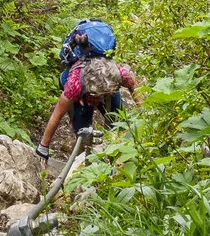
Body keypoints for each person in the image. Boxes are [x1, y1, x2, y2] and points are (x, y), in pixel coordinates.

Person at [37, 26, 138, 158]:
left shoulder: (118, 75)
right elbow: (56, 116)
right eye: (95, 96)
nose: (97, 99)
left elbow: (135, 87)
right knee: (83, 138)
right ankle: (76, 162)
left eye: (101, 95)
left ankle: (119, 167)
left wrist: (145, 115)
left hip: (108, 94)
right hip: (81, 100)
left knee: (121, 129)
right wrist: (43, 150)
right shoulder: (75, 84)